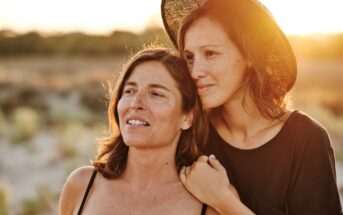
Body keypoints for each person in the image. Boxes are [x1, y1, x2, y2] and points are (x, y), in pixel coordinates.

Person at [161, 0, 342, 214]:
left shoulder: (306, 139)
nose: (194, 71)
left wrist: (224, 201)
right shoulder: (190, 135)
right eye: (189, 57)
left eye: (210, 53)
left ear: (249, 55)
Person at [59, 47, 219, 215]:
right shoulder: (82, 185)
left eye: (156, 94)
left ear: (187, 118)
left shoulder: (207, 203)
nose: (136, 103)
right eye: (129, 91)